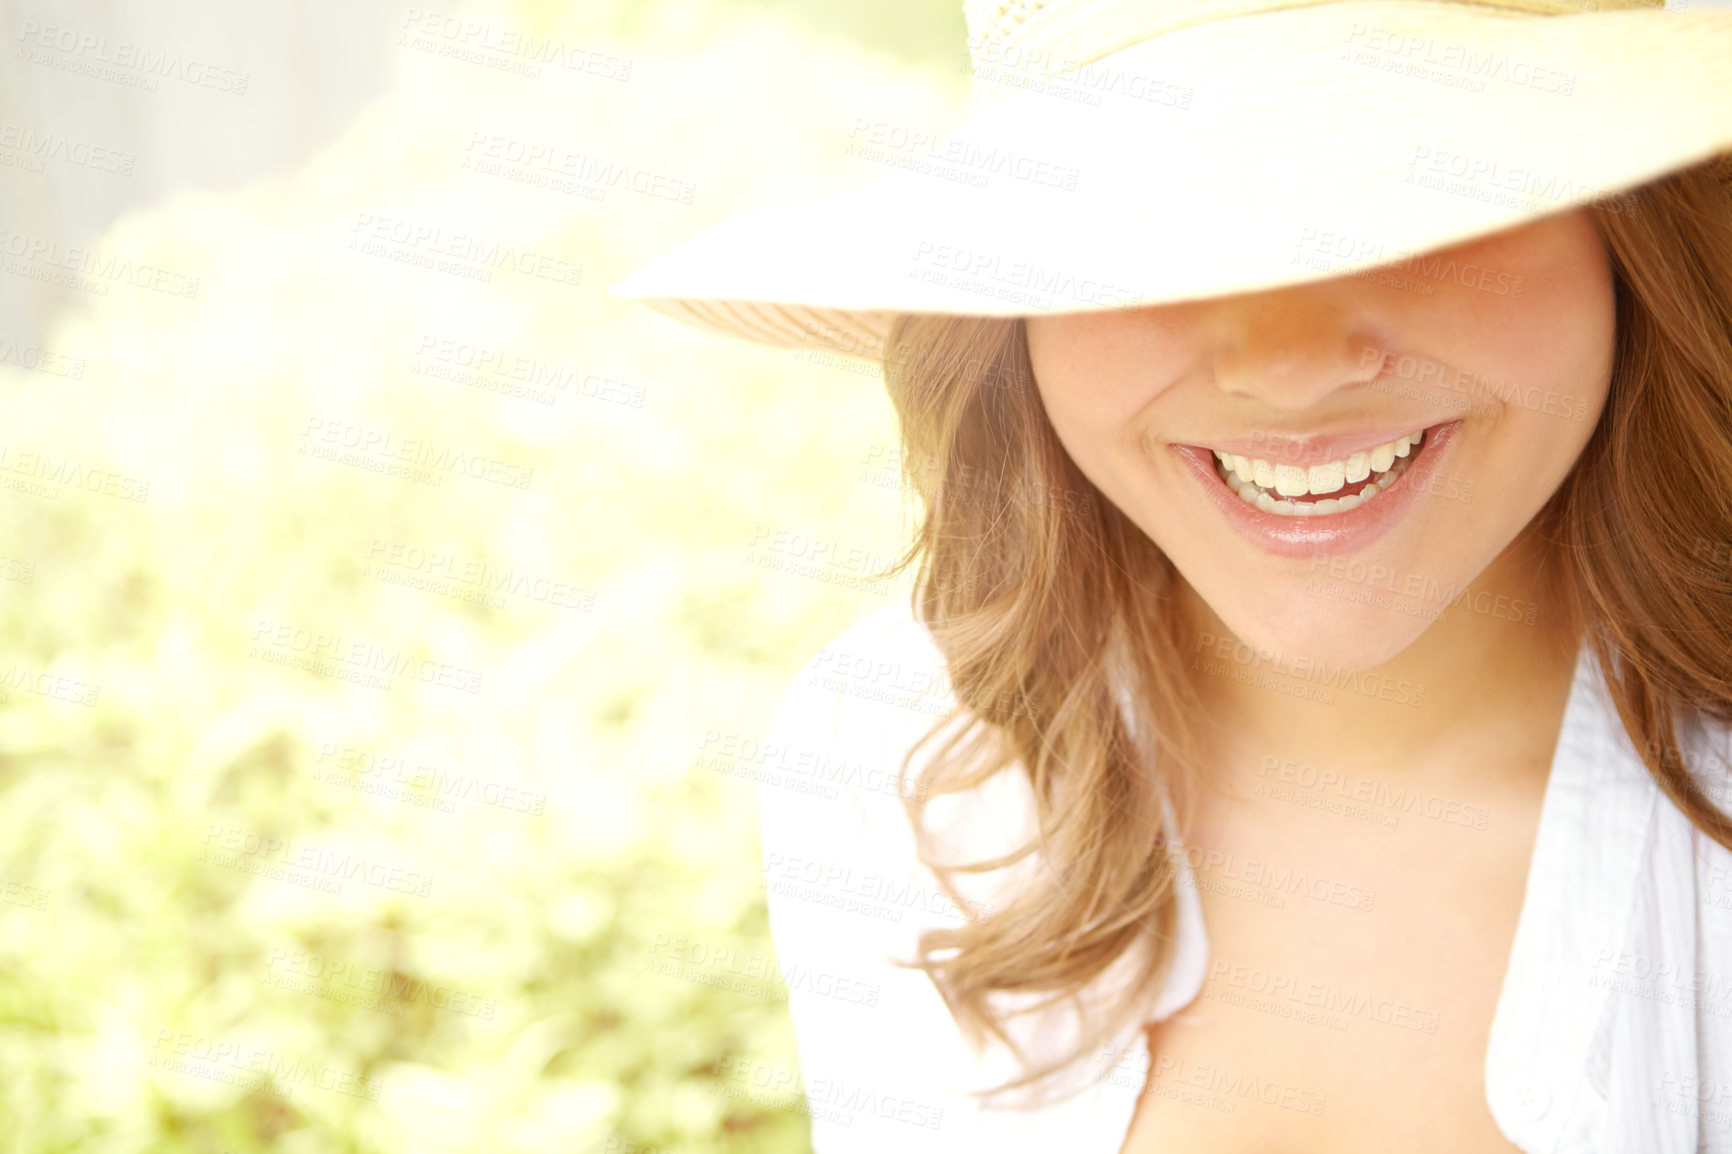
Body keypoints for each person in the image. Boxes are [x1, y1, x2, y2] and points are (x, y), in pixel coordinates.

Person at [613, 0, 1732, 1148]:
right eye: (1149, 231)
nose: (1289, 369)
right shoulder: (896, 755)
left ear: (1631, 231)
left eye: (1419, 202)